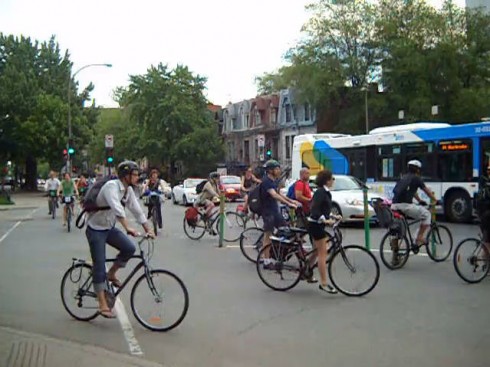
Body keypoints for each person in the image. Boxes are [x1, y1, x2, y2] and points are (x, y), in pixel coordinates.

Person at [85, 160, 154, 319]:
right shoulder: (111, 187)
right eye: (134, 175)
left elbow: (136, 210)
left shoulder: (128, 191)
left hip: (108, 228)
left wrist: (148, 229)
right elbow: (116, 207)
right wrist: (127, 227)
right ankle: (102, 304)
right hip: (95, 229)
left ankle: (112, 273)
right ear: (125, 175)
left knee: (129, 248)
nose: (137, 178)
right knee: (99, 264)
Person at [391, 160, 437, 252]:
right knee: (427, 214)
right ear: (418, 170)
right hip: (405, 206)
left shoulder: (403, 177)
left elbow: (412, 191)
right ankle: (419, 237)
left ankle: (395, 254)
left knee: (398, 228)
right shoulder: (417, 178)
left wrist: (419, 200)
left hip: (394, 205)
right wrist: (435, 199)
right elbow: (426, 190)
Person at [260, 160, 299, 268]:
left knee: (286, 230)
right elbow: (274, 195)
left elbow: (279, 194)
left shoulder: (274, 181)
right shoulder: (266, 181)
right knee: (268, 235)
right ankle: (266, 261)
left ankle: (277, 253)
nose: (279, 170)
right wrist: (288, 203)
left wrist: (291, 201)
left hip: (275, 211)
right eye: (277, 169)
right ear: (270, 170)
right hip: (268, 212)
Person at [307, 169, 338, 294]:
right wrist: (325, 220)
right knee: (322, 253)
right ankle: (324, 283)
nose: (333, 181)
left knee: (315, 251)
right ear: (327, 180)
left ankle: (307, 271)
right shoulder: (320, 192)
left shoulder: (325, 192)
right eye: (332, 179)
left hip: (317, 224)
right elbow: (315, 210)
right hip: (316, 225)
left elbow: (324, 208)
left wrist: (333, 216)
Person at [476, 161, 490, 253]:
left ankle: (486, 263)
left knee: (486, 238)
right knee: (487, 239)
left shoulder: (484, 182)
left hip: (482, 213)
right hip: (487, 215)